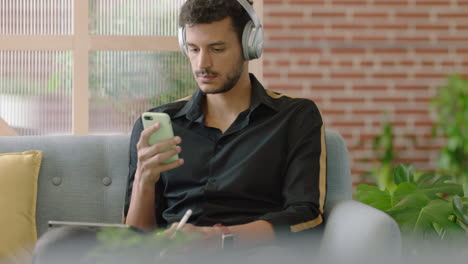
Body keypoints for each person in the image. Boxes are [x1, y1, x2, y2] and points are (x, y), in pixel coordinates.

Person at [124, 0, 326, 254]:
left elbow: (306, 217)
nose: (202, 64)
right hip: (172, 256)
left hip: (253, 255)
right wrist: (144, 178)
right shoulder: (157, 124)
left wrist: (221, 237)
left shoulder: (294, 117)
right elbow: (134, 243)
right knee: (68, 237)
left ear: (249, 46)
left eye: (217, 49)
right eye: (193, 49)